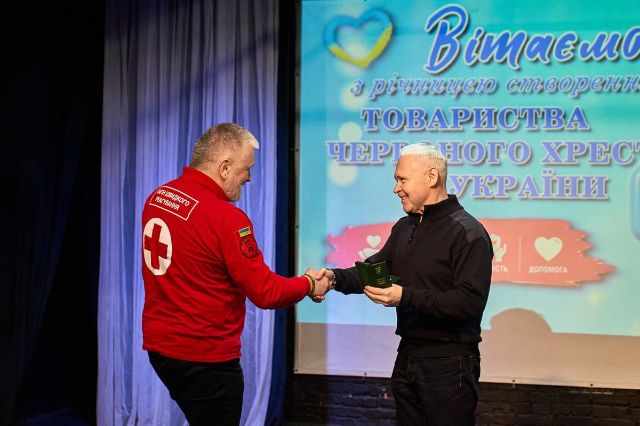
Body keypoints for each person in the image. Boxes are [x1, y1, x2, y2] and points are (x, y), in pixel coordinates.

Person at [141, 123, 329, 425]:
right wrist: (308, 284)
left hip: (161, 351)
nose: (249, 177)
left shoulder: (159, 197)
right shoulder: (226, 218)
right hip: (205, 360)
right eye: (247, 169)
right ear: (225, 167)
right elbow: (266, 292)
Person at [316, 143, 493, 426]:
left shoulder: (468, 232)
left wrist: (405, 297)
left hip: (450, 364)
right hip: (407, 357)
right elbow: (373, 272)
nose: (396, 188)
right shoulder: (404, 226)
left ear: (431, 177)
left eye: (402, 180)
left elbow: (469, 302)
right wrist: (332, 278)